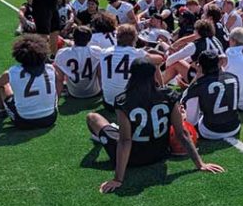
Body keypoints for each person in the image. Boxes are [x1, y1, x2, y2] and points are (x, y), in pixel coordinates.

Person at [86, 58, 225, 194]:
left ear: (132, 76)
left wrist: (118, 179)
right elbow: (181, 133)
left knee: (92, 118)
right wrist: (200, 164)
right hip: (160, 154)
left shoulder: (124, 100)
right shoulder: (169, 95)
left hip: (132, 158)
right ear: (154, 74)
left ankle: (107, 133)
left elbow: (125, 141)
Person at [0, 35, 58, 128]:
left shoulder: (13, 71)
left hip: (24, 121)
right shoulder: (50, 69)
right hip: (50, 118)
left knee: (4, 85)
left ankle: (0, 111)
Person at [181, 50, 241, 140]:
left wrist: (197, 75)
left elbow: (191, 120)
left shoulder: (199, 85)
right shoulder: (233, 77)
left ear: (200, 66)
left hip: (211, 130)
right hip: (235, 126)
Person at [100, 24, 164, 108]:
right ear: (135, 38)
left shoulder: (104, 52)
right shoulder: (137, 53)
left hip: (108, 101)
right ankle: (161, 89)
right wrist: (148, 52)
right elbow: (160, 59)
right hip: (129, 102)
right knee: (151, 65)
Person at [54, 26, 102, 99]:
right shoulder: (96, 51)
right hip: (94, 91)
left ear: (73, 37)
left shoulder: (62, 53)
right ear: (89, 39)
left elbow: (59, 79)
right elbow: (100, 74)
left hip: (73, 92)